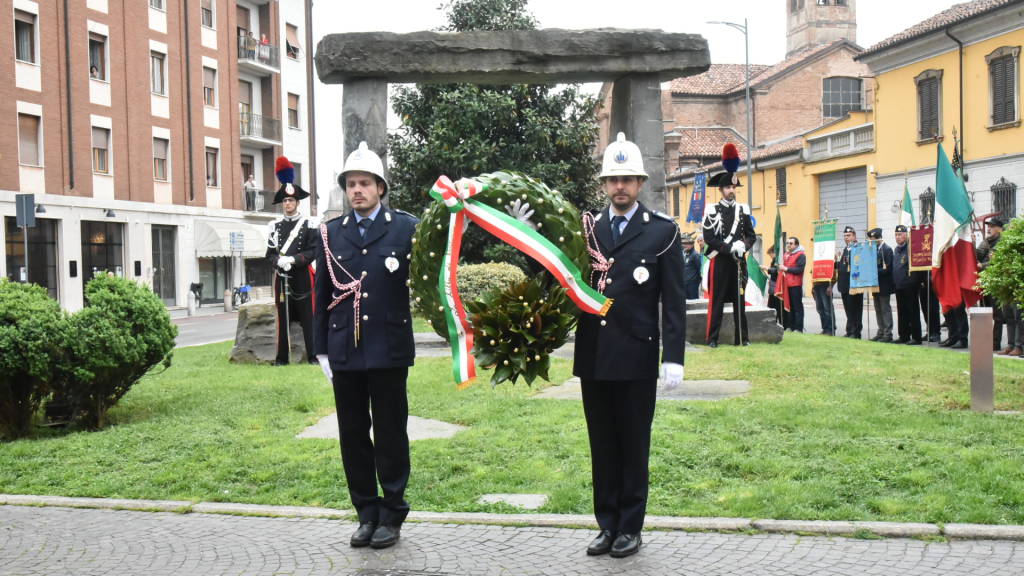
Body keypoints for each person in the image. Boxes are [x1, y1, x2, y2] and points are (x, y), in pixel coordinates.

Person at [574, 133, 686, 559]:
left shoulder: (662, 232)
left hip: (638, 357)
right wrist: (531, 237)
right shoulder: (587, 230)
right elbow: (560, 275)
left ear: (640, 183)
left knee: (633, 445)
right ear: (604, 185)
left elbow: (673, 302)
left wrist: (673, 357)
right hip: (596, 356)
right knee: (602, 445)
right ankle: (607, 525)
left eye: (627, 179)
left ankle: (630, 527)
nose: (619, 187)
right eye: (612, 179)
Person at [314, 142, 418, 550]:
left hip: (388, 347)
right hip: (345, 351)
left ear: (380, 187)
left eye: (365, 183)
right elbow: (322, 292)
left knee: (391, 432)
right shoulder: (329, 233)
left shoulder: (405, 228)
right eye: (351, 184)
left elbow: (431, 274)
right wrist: (321, 349)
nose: (357, 190)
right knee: (353, 433)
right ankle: (365, 512)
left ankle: (392, 513)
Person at [702, 144, 756, 347]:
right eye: (728, 188)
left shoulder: (743, 210)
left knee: (739, 301)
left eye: (733, 187)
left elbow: (751, 236)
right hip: (720, 261)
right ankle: (712, 338)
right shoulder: (712, 210)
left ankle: (742, 338)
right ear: (721, 190)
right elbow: (709, 237)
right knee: (716, 302)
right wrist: (728, 248)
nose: (731, 191)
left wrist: (744, 245)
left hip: (738, 262)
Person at [265, 156, 317, 365]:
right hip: (283, 278)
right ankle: (282, 358)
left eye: (291, 200)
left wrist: (294, 260)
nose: (288, 204)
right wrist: (279, 261)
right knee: (283, 318)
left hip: (302, 276)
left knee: (308, 318)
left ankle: (313, 356)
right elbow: (269, 254)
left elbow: (314, 251)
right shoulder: (274, 226)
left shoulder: (308, 224)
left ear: (297, 202)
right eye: (285, 201)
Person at [977, 217, 1006, 351]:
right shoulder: (987, 241)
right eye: (988, 226)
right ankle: (986, 341)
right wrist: (971, 243)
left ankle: (995, 343)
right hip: (985, 281)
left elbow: (998, 262)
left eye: (992, 226)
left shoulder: (1003, 242)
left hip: (997, 283)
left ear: (999, 228)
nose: (989, 229)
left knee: (997, 316)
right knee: (985, 312)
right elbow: (977, 254)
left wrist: (981, 265)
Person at [892, 225, 923, 345]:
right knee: (902, 312)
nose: (897, 237)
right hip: (899, 286)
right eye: (896, 234)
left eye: (900, 234)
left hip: (910, 286)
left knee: (913, 312)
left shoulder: (911, 248)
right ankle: (904, 335)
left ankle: (916, 337)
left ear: (906, 235)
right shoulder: (897, 249)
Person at [866, 228, 894, 342]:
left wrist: (874, 271)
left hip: (884, 285)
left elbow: (888, 268)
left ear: (878, 238)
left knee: (885, 309)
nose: (871, 242)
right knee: (877, 309)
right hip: (875, 284)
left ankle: (888, 333)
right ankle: (881, 331)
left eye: (872, 240)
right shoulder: (873, 249)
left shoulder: (887, 250)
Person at [837, 226, 863, 339]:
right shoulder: (846, 249)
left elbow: (859, 265)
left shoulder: (858, 248)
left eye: (848, 236)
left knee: (855, 310)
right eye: (845, 236)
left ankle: (856, 332)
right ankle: (850, 330)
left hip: (854, 285)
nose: (846, 238)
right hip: (844, 285)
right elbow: (842, 266)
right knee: (848, 310)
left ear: (854, 236)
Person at [779, 237, 806, 332]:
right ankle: (791, 326)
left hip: (795, 284)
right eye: (787, 243)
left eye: (791, 243)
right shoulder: (786, 254)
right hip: (786, 285)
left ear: (796, 245)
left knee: (797, 307)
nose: (788, 245)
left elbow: (799, 270)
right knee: (788, 306)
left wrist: (786, 269)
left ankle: (798, 328)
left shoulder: (801, 255)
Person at [681, 233, 702, 300]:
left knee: (693, 304)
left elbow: (700, 271)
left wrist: (696, 282)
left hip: (692, 285)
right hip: (684, 284)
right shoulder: (683, 254)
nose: (684, 245)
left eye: (686, 243)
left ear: (692, 244)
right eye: (683, 243)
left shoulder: (695, 255)